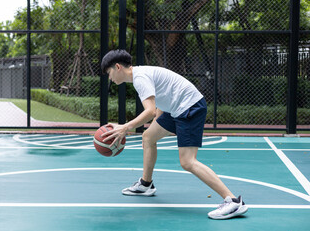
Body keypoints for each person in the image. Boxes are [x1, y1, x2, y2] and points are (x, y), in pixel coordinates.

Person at [101, 49, 248, 220]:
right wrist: (158, 118)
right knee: (148, 137)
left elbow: (149, 111)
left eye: (109, 73)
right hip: (176, 108)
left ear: (117, 67)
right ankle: (146, 184)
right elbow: (164, 94)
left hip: (189, 108)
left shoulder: (140, 78)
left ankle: (233, 201)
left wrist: (125, 127)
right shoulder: (141, 73)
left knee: (187, 162)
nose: (109, 78)